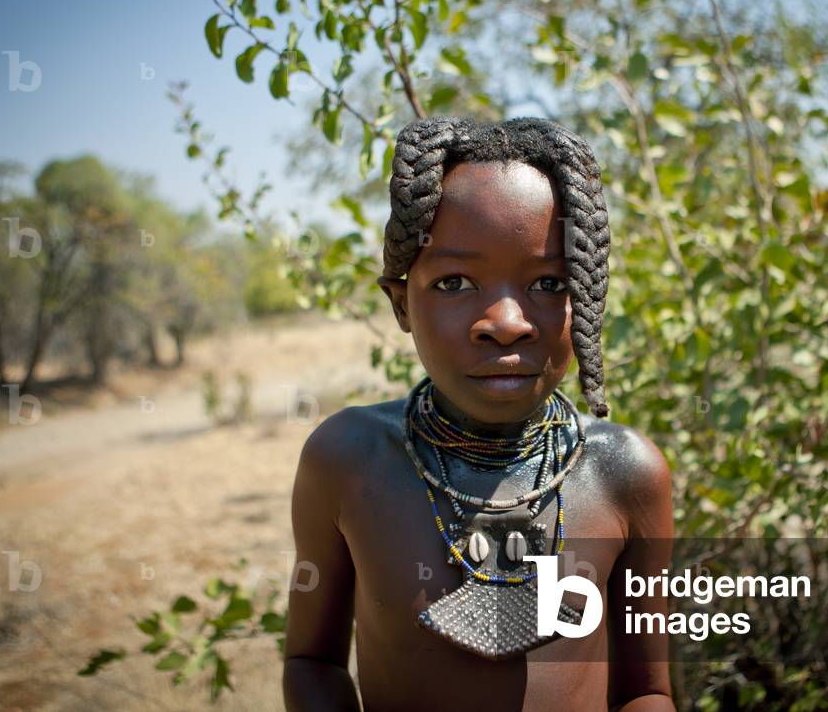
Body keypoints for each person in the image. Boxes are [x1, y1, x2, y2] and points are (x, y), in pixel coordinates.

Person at [282, 116, 675, 711]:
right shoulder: (349, 460)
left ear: (589, 300)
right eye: (454, 282)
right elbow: (312, 662)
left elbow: (645, 691)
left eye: (550, 284)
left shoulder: (626, 474)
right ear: (401, 303)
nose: (506, 323)